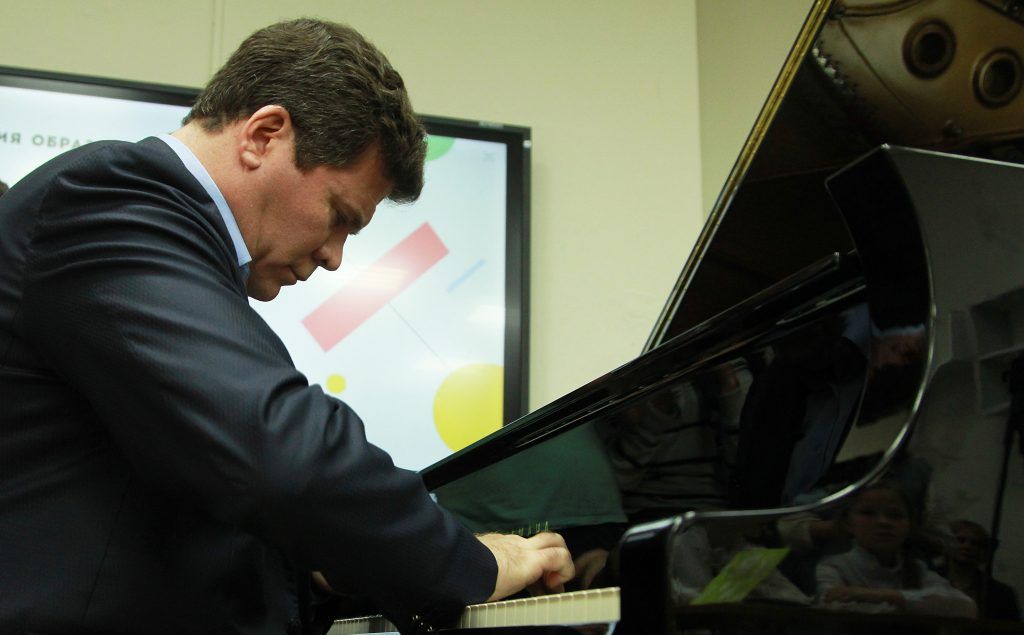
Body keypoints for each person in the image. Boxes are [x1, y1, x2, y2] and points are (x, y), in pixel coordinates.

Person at [0, 18, 572, 635]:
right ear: (264, 135)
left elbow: (185, 490)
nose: (334, 256)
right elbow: (279, 450)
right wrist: (474, 565)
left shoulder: (154, 224)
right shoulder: (109, 200)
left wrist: (332, 566)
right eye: (339, 216)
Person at [815, 482, 976, 617]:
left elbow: (966, 607)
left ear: (910, 525)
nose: (883, 522)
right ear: (847, 523)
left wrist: (882, 595)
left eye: (895, 515)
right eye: (868, 513)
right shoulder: (833, 567)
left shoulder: (917, 570)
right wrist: (916, 607)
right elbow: (835, 608)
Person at [939, 519, 1021, 621]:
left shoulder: (1001, 594)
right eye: (960, 540)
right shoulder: (926, 579)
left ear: (983, 551)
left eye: (974, 543)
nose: (967, 546)